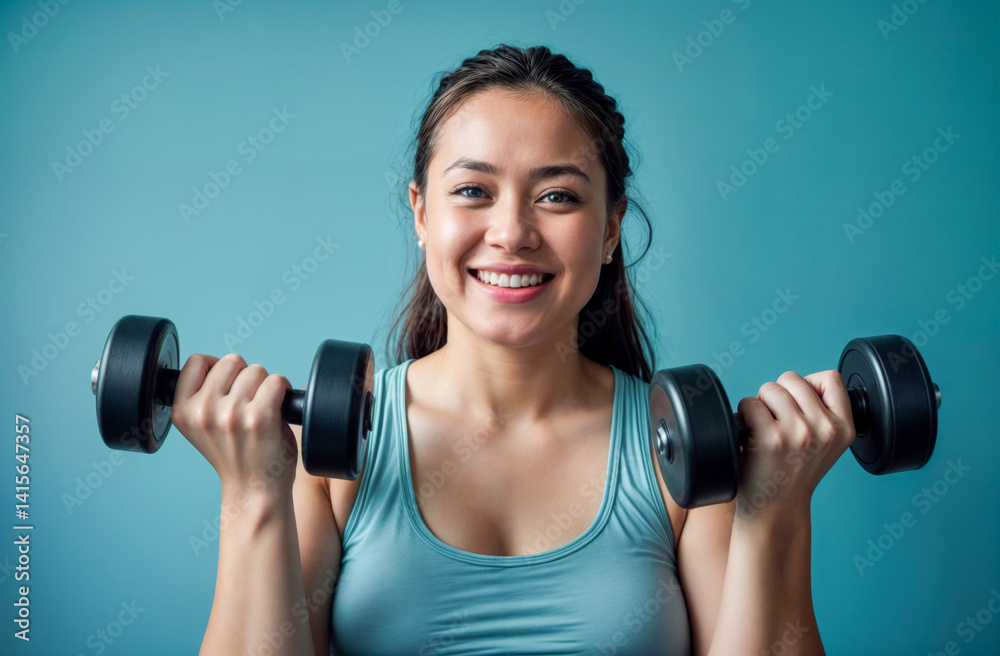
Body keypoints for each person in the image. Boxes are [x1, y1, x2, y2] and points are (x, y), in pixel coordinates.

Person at [171, 44, 856, 656]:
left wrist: (776, 512)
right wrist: (253, 492)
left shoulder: (675, 456)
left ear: (611, 227)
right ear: (420, 214)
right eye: (472, 191)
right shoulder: (331, 458)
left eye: (557, 196)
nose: (512, 232)